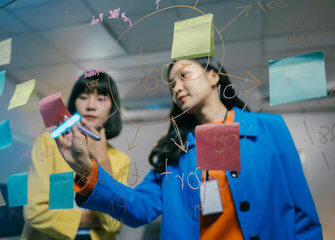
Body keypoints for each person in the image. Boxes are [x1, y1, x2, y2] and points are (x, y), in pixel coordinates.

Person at [56, 57, 322, 240]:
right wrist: (85, 168)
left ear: (213, 75)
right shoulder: (175, 153)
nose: (177, 88)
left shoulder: (269, 129)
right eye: (172, 85)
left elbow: (303, 215)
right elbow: (138, 208)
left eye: (183, 76)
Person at [22, 71, 131, 240]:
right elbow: (34, 213)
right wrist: (91, 219)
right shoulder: (50, 143)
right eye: (83, 97)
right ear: (73, 103)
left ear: (112, 108)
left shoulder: (120, 159)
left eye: (101, 99)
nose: (91, 106)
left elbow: (114, 223)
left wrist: (102, 159)